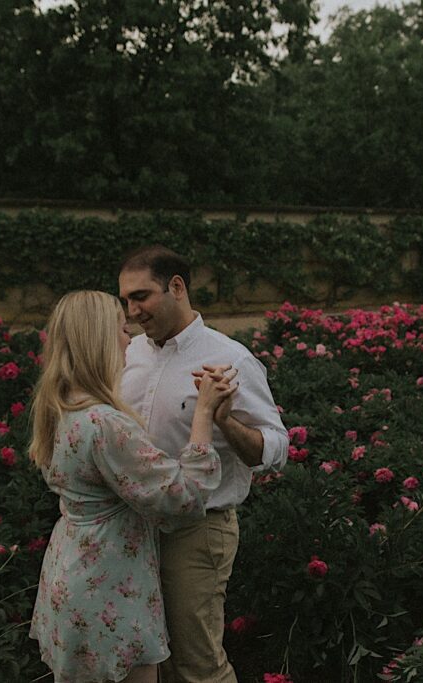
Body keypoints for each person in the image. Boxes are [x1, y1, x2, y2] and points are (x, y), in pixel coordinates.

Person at [28, 290, 237, 683]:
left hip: (70, 570)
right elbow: (182, 496)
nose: (129, 338)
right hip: (110, 584)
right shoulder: (106, 423)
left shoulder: (59, 406)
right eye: (120, 330)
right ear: (98, 340)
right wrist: (204, 412)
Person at [118, 246, 289, 683]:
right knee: (148, 659)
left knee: (196, 663)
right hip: (133, 529)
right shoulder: (129, 354)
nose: (133, 310)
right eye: (125, 300)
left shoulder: (230, 358)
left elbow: (274, 447)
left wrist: (224, 420)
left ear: (177, 287)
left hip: (198, 530)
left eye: (141, 296)